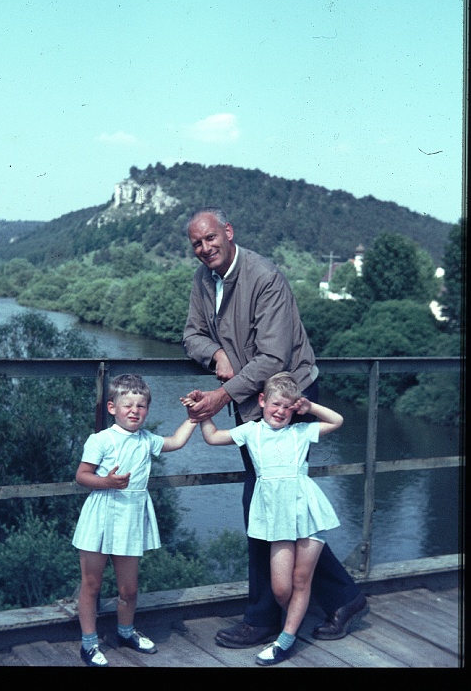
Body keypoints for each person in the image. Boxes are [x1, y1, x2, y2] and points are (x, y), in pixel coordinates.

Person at [182, 207, 367, 648]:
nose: (205, 248)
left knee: (265, 506)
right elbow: (190, 334)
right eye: (196, 244)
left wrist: (221, 395)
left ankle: (263, 617)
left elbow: (272, 358)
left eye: (211, 238)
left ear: (229, 232)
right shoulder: (202, 281)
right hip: (252, 402)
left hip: (288, 401)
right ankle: (343, 597)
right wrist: (215, 355)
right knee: (272, 506)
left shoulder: (265, 276)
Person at [184, 372, 344, 666]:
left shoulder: (300, 432)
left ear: (294, 407)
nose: (281, 411)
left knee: (301, 578)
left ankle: (285, 640)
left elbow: (337, 421)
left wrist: (311, 408)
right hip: (275, 517)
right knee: (282, 586)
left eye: (288, 406)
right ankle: (295, 619)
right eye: (276, 404)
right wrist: (201, 411)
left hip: (306, 509)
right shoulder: (251, 431)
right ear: (262, 401)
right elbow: (212, 437)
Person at [72, 374, 198, 667]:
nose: (134, 411)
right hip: (101, 514)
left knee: (129, 589)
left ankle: (125, 632)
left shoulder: (147, 440)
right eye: (128, 405)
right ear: (112, 407)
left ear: (147, 410)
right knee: (91, 584)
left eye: (141, 406)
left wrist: (193, 418)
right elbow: (82, 475)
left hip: (131, 517)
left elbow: (176, 442)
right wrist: (108, 482)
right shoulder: (101, 439)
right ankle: (89, 644)